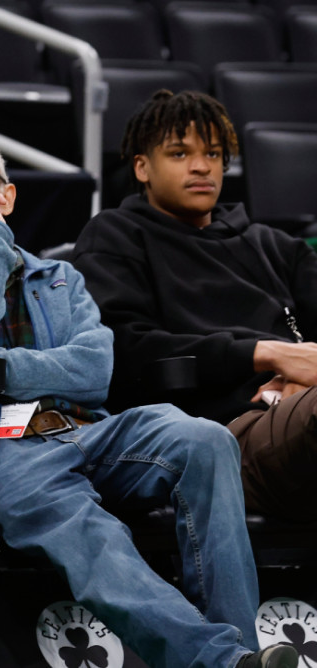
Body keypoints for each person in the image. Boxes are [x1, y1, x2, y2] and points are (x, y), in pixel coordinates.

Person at [0, 134, 297, 668]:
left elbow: (95, 370)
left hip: (89, 430)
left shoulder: (60, 277)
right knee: (88, 532)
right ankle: (222, 662)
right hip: (4, 454)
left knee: (205, 438)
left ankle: (242, 648)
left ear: (6, 195)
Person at [73, 90, 317, 524]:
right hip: (218, 439)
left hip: (298, 412)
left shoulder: (277, 247)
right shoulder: (114, 237)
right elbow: (125, 351)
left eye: (214, 153)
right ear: (142, 167)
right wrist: (267, 352)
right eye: (180, 153)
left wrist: (301, 379)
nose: (203, 166)